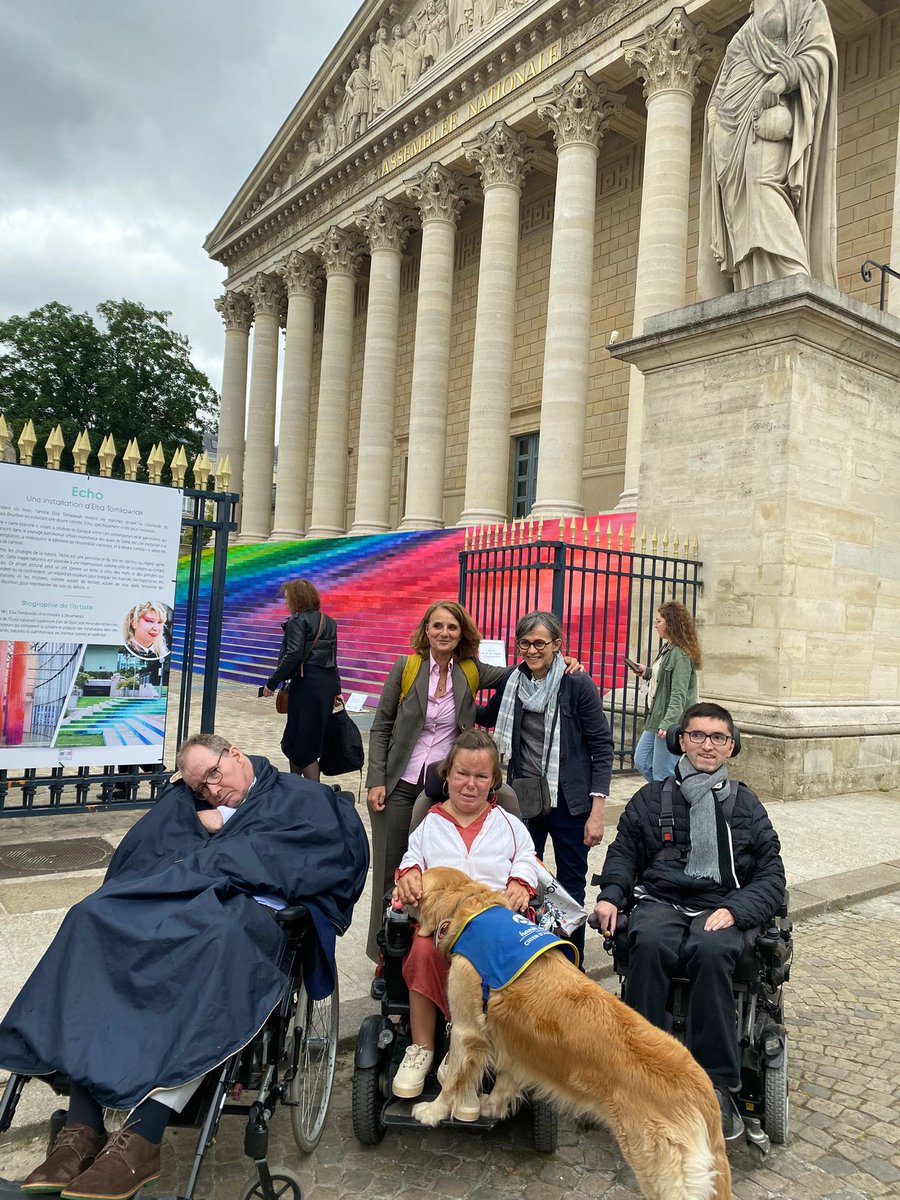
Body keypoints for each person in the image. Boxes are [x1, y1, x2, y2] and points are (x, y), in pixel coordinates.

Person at [0, 733, 368, 1200]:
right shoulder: (188, 802)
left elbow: (320, 857)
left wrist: (227, 837)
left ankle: (142, 1138)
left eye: (214, 775)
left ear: (235, 754)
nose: (212, 791)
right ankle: (82, 1126)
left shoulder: (302, 798)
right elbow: (146, 854)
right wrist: (196, 823)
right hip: (183, 898)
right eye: (200, 787)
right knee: (92, 918)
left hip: (250, 916)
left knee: (209, 948)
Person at [593, 702, 785, 1137]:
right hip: (662, 898)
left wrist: (737, 910)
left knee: (712, 949)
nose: (707, 745)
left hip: (723, 904)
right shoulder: (650, 799)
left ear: (731, 746)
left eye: (718, 737)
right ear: (681, 740)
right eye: (697, 735)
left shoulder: (745, 805)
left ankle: (715, 1082)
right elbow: (623, 855)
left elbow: (772, 875)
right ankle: (641, 1070)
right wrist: (610, 896)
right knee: (647, 940)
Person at [391, 730, 540, 1104]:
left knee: (486, 963)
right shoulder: (431, 823)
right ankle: (422, 1047)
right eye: (462, 774)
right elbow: (411, 859)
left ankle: (463, 1051)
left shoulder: (507, 824)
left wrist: (520, 881)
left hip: (492, 921)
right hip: (441, 924)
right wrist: (409, 875)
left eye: (480, 776)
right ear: (447, 775)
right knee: (421, 951)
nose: (470, 784)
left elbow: (527, 857)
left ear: (493, 781)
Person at [364, 600, 510, 964]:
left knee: (433, 870)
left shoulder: (470, 670)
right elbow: (381, 726)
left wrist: (563, 661)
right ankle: (385, 956)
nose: (444, 633)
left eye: (452, 627)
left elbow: (515, 673)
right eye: (438, 626)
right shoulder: (407, 667)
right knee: (391, 871)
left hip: (443, 786)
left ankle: (430, 952)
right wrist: (376, 779)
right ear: (426, 630)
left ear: (462, 634)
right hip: (400, 781)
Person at [477, 610, 613, 961]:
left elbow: (601, 746)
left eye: (540, 643)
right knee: (522, 879)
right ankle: (528, 958)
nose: (532, 650)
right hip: (525, 800)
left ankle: (570, 962)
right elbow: (485, 716)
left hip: (571, 803)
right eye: (524, 643)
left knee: (569, 885)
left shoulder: (577, 684)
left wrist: (597, 812)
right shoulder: (513, 681)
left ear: (557, 644)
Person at [697, 0, 838, 297]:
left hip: (767, 111)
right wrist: (714, 119)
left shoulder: (802, 5)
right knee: (740, 210)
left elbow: (819, 53)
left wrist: (782, 81)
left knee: (763, 184)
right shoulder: (746, 28)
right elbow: (722, 86)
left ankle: (793, 274)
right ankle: (752, 286)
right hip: (728, 127)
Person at [261, 578, 340, 780]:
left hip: (306, 685)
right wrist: (337, 690)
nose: (286, 601)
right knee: (305, 739)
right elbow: (334, 658)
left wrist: (273, 682)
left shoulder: (297, 621)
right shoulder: (329, 621)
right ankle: (296, 784)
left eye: (288, 598)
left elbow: (293, 655)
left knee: (301, 741)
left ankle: (312, 790)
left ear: (297, 599)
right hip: (325, 685)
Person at [631, 599, 701, 783]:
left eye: (658, 621)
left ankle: (667, 797)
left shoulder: (681, 654)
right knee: (641, 761)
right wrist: (647, 672)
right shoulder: (668, 648)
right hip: (655, 717)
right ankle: (665, 792)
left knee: (663, 772)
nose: (655, 625)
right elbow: (663, 678)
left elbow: (679, 694)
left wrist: (668, 723)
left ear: (671, 623)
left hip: (669, 721)